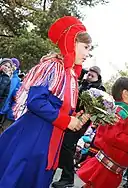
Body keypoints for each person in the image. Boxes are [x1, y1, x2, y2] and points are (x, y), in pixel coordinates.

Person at [0, 16, 91, 187]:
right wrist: (66, 120)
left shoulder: (70, 74)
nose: (87, 54)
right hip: (33, 137)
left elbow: (60, 108)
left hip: (47, 139)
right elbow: (35, 101)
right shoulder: (53, 67)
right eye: (85, 47)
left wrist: (76, 119)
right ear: (72, 42)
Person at [77, 77, 128, 188]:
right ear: (125, 94)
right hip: (106, 170)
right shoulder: (119, 113)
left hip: (111, 170)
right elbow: (112, 136)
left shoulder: (124, 113)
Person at [52, 66, 105, 188]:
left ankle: (68, 177)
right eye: (88, 74)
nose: (89, 77)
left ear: (98, 77)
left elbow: (97, 108)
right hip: (71, 117)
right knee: (62, 144)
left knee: (68, 145)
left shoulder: (99, 89)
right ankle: (57, 171)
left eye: (92, 75)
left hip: (81, 121)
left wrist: (84, 116)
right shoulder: (81, 84)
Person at [0, 58, 22, 131]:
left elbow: (15, 96)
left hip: (4, 107)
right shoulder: (4, 75)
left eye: (15, 65)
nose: (8, 68)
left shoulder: (17, 80)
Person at [0, 58, 13, 133]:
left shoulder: (7, 79)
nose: (6, 68)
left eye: (9, 67)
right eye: (5, 65)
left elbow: (5, 95)